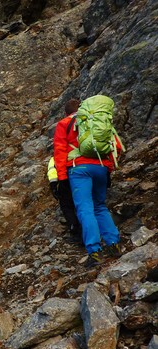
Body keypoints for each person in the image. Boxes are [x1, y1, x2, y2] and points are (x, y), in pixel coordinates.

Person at [53, 98, 122, 268]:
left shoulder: (64, 124)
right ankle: (113, 244)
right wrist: (108, 168)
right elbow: (117, 146)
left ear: (67, 112)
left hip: (79, 169)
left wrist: (62, 178)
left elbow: (60, 152)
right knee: (100, 206)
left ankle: (94, 251)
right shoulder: (97, 120)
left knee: (85, 208)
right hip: (101, 167)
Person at [49, 100, 82, 244]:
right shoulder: (91, 122)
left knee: (68, 204)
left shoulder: (64, 124)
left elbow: (58, 156)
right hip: (96, 166)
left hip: (71, 170)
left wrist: (57, 182)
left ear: (66, 113)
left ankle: (76, 231)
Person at [47, 156, 81, 244]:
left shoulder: (55, 158)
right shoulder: (77, 152)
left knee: (67, 207)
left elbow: (52, 172)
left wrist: (53, 186)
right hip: (81, 179)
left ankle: (75, 231)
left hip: (64, 182)